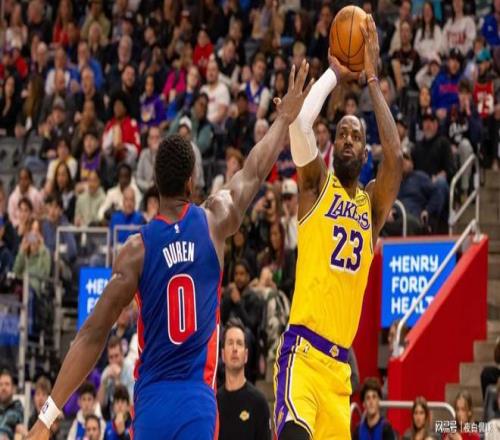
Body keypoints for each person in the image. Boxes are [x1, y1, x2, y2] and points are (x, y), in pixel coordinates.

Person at [28, 60, 312, 440]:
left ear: (155, 186)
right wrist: (284, 119)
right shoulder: (214, 221)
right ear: (192, 182)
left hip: (152, 404)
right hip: (196, 402)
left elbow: (92, 334)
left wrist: (46, 418)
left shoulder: (135, 250)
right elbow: (254, 171)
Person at [274, 16, 402, 440]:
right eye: (342, 133)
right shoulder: (316, 185)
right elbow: (299, 126)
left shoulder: (372, 206)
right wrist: (333, 73)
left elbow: (395, 158)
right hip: (302, 355)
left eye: (356, 136)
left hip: (339, 373)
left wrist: (372, 80)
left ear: (364, 153)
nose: (347, 138)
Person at [217, 319, 271, 440]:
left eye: (239, 343)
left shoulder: (259, 402)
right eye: (230, 343)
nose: (235, 348)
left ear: (246, 355)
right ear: (223, 354)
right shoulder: (214, 403)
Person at [97, 337, 135, 421]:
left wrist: (117, 379)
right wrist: (104, 383)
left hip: (129, 418)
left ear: (122, 354)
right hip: (111, 418)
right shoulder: (106, 372)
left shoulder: (131, 370)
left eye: (116, 356)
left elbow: (131, 404)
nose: (114, 360)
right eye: (111, 357)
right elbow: (100, 404)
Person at [0, 369, 24, 440]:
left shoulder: (17, 408)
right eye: (1, 384)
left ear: (13, 389)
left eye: (7, 384)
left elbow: (19, 430)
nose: (3, 388)